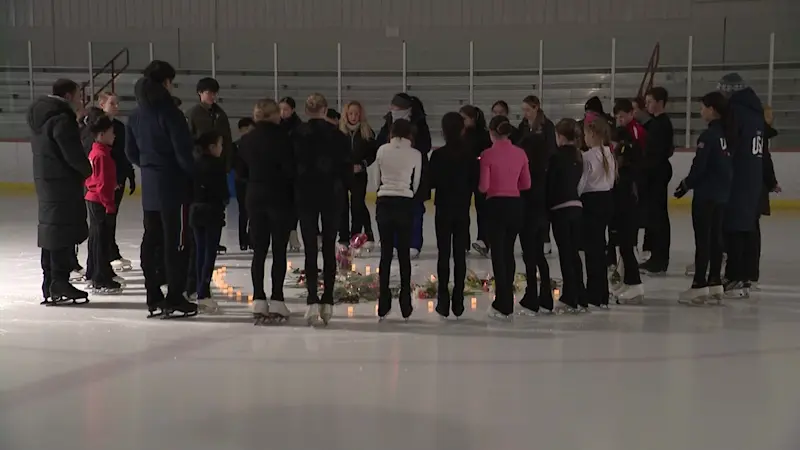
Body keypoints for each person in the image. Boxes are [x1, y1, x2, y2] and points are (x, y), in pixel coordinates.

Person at [125, 60, 198, 318]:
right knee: (175, 242)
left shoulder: (135, 115)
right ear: (166, 82)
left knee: (152, 239)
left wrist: (149, 166)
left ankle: (153, 294)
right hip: (173, 186)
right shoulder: (170, 113)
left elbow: (130, 152)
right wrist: (193, 175)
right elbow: (183, 153)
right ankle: (175, 296)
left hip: (151, 186)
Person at [29, 79, 93, 305]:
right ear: (67, 96)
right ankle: (59, 280)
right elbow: (72, 153)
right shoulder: (61, 119)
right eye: (77, 95)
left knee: (51, 230)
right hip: (63, 184)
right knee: (61, 231)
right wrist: (87, 169)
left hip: (48, 182)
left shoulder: (42, 118)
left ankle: (50, 282)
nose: (80, 100)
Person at [293, 93, 350, 326]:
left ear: (306, 110)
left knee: (310, 249)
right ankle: (327, 301)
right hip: (331, 195)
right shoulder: (338, 136)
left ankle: (311, 300)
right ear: (325, 110)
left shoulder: (296, 135)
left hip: (305, 195)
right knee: (328, 246)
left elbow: (291, 167)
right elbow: (346, 169)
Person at [237, 99, 295, 323]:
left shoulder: (246, 141)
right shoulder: (284, 139)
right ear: (274, 115)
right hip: (279, 196)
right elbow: (291, 170)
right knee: (279, 250)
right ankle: (278, 300)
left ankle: (259, 299)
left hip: (255, 195)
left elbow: (240, 172)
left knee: (259, 250)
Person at [674, 92, 733, 305]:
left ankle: (699, 284)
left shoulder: (708, 137)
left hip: (706, 195)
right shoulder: (726, 135)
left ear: (713, 110)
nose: (701, 111)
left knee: (704, 240)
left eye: (703, 107)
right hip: (721, 195)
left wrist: (686, 184)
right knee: (716, 238)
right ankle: (715, 281)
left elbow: (700, 168)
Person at [479, 116, 531, 320]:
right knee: (508, 253)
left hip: (496, 206)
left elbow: (483, 186)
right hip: (515, 206)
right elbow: (526, 184)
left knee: (498, 255)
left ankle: (503, 302)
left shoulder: (487, 155)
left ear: (491, 132)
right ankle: (507, 299)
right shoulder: (520, 153)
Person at [717, 73, 764, 298]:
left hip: (737, 176)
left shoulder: (735, 112)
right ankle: (746, 277)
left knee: (733, 227)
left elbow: (730, 145)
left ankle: (734, 277)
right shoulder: (756, 112)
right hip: (753, 177)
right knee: (747, 227)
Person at [374, 119, 424, 321]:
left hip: (384, 202)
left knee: (386, 254)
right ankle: (405, 302)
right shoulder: (415, 154)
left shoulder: (382, 150)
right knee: (404, 254)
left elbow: (377, 180)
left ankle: (383, 302)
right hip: (404, 202)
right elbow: (417, 181)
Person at [429, 112, 475, 319]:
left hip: (444, 208)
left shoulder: (438, 156)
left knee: (443, 254)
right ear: (462, 129)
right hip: (462, 208)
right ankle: (458, 299)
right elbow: (476, 183)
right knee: (459, 255)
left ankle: (442, 299)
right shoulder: (470, 154)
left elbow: (430, 182)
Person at [186, 77, 234, 272]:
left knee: (216, 207)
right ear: (200, 93)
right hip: (201, 168)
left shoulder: (220, 114)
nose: (212, 96)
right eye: (208, 92)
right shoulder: (194, 114)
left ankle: (213, 240)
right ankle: (198, 243)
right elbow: (189, 140)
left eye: (214, 92)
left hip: (218, 167)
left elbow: (228, 140)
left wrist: (227, 163)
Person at [377, 93, 432, 259]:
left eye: (397, 108)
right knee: (393, 213)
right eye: (392, 108)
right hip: (391, 176)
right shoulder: (388, 122)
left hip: (413, 173)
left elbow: (425, 146)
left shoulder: (420, 124)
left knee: (415, 211)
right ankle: (393, 243)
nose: (393, 111)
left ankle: (414, 243)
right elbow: (379, 143)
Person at [515, 105, 553, 316]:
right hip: (542, 215)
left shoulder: (527, 172)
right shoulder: (545, 170)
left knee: (530, 256)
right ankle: (545, 294)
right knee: (539, 256)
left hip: (528, 215)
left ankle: (532, 293)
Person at [547, 119, 585, 313]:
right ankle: (581, 295)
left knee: (565, 254)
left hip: (560, 208)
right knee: (574, 254)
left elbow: (551, 184)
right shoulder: (578, 156)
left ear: (559, 136)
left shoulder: (556, 156)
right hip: (576, 207)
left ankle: (570, 297)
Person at [578, 116, 616, 309]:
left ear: (592, 134)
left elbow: (583, 182)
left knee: (592, 250)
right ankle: (602, 294)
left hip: (591, 202)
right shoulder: (609, 154)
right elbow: (611, 181)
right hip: (606, 200)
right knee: (600, 247)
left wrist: (575, 197)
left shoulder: (588, 157)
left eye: (585, 134)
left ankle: (593, 293)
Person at [83, 115, 124, 295]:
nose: (114, 135)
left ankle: (95, 273)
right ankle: (100, 279)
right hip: (99, 202)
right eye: (110, 132)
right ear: (101, 135)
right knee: (101, 240)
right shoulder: (101, 155)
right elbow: (102, 185)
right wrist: (109, 206)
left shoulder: (97, 152)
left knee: (97, 239)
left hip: (93, 199)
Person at [97, 93, 136, 273]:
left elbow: (124, 154)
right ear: (102, 104)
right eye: (112, 103)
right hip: (104, 180)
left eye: (117, 103)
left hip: (117, 179)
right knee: (103, 220)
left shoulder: (120, 127)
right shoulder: (95, 126)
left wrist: (129, 174)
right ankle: (105, 256)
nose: (116, 106)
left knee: (111, 218)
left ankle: (111, 252)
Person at [189, 130, 228, 313]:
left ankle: (197, 286)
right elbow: (222, 191)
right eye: (220, 145)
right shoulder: (217, 165)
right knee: (209, 252)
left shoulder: (194, 164)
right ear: (212, 147)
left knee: (199, 250)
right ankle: (203, 291)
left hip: (196, 211)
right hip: (212, 211)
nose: (222, 149)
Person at [639, 87, 674, 275]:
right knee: (656, 218)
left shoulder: (661, 125)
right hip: (655, 173)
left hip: (656, 174)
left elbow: (657, 152)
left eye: (650, 101)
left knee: (659, 218)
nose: (647, 105)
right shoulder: (656, 123)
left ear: (659, 102)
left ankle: (659, 260)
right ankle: (657, 258)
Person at [608, 126, 645, 304]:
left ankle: (635, 284)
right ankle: (628, 281)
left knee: (627, 250)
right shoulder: (630, 174)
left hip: (626, 217)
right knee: (624, 250)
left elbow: (621, 201)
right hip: (629, 217)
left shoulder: (624, 177)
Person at [518, 95, 556, 255]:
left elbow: (551, 148)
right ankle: (530, 238)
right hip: (527, 170)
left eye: (528, 109)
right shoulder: (523, 125)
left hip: (542, 171)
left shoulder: (547, 125)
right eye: (523, 110)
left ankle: (544, 238)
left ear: (536, 107)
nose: (525, 113)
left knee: (542, 206)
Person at [338, 101, 378, 248]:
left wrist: (362, 165)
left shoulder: (367, 131)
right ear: (346, 114)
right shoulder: (339, 131)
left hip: (359, 175)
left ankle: (355, 235)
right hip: (342, 175)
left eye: (356, 113)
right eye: (351, 113)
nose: (353, 116)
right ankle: (343, 237)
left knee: (357, 206)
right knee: (342, 206)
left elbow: (373, 154)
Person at [753, 106, 781, 290]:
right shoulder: (759, 135)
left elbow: (765, 161)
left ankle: (747, 271)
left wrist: (771, 182)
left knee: (748, 229)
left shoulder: (755, 135)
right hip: (758, 187)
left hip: (753, 188)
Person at [459, 105, 492, 256]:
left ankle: (483, 240)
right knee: (462, 209)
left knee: (483, 209)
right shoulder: (461, 135)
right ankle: (463, 242)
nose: (462, 121)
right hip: (465, 176)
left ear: (472, 119)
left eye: (464, 118)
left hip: (480, 175)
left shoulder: (484, 136)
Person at [279, 96, 303, 252]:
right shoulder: (275, 126)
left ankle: (293, 233)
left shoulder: (299, 127)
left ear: (292, 110)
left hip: (295, 171)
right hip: (280, 172)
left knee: (294, 204)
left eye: (286, 109)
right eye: (280, 109)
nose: (282, 112)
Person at [232, 117, 256, 251]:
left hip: (250, 181)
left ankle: (251, 238)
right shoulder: (237, 145)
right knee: (244, 211)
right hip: (242, 181)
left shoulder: (254, 144)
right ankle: (243, 239)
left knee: (251, 212)